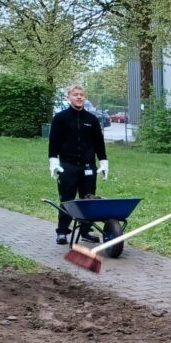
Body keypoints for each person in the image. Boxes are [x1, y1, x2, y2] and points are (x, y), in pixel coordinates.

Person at [48, 84, 109, 244]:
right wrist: (53, 162)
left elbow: (99, 143)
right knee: (67, 199)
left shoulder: (92, 119)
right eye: (75, 94)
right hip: (67, 166)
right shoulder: (60, 118)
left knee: (88, 199)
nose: (79, 97)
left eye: (81, 94)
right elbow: (53, 142)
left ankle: (85, 230)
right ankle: (62, 231)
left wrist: (103, 162)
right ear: (68, 97)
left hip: (88, 166)